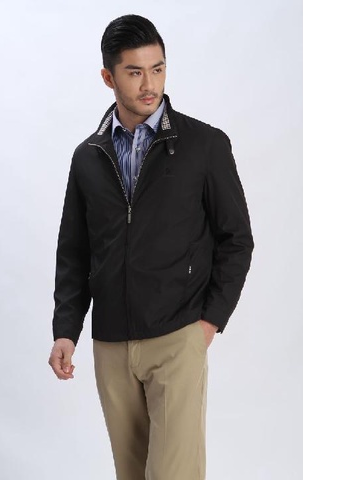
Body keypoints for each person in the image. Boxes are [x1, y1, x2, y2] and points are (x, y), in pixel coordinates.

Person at [48, 14, 254, 480]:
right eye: (135, 72)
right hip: (110, 344)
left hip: (178, 335)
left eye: (158, 69)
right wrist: (66, 330)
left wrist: (208, 322)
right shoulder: (88, 157)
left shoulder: (204, 145)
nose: (150, 85)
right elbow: (74, 251)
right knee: (131, 473)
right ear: (108, 77)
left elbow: (237, 239)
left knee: (174, 474)